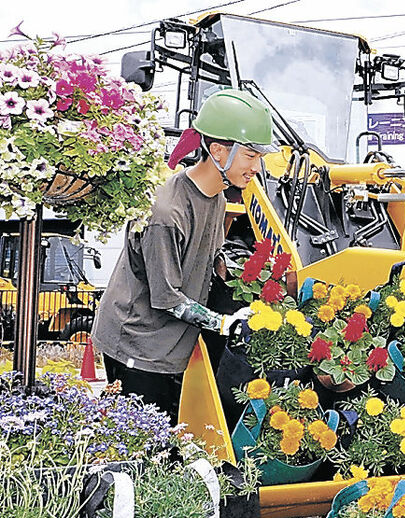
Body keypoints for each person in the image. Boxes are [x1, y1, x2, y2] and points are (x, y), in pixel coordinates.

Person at [91, 89, 279, 421]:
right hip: (138, 344)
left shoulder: (218, 198)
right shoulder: (166, 213)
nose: (257, 167)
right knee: (145, 450)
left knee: (172, 445)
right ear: (219, 151)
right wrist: (223, 322)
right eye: (251, 155)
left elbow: (207, 260)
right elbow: (166, 298)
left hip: (173, 342)